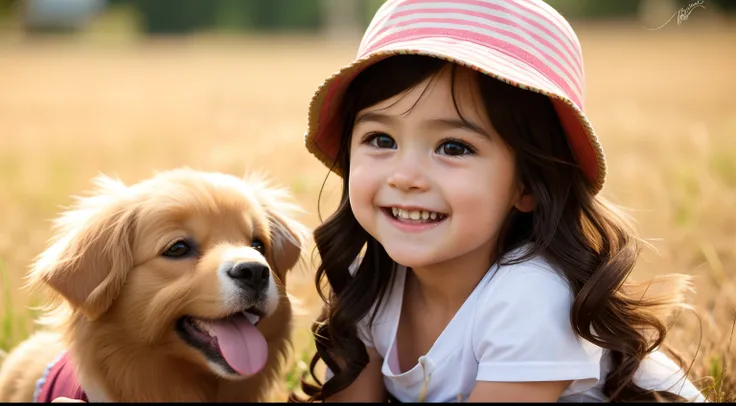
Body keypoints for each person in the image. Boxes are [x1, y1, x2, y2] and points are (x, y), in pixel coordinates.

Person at [291, 0, 706, 402]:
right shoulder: (370, 282)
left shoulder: (531, 297)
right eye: (381, 140)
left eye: (453, 147)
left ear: (528, 184)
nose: (405, 177)